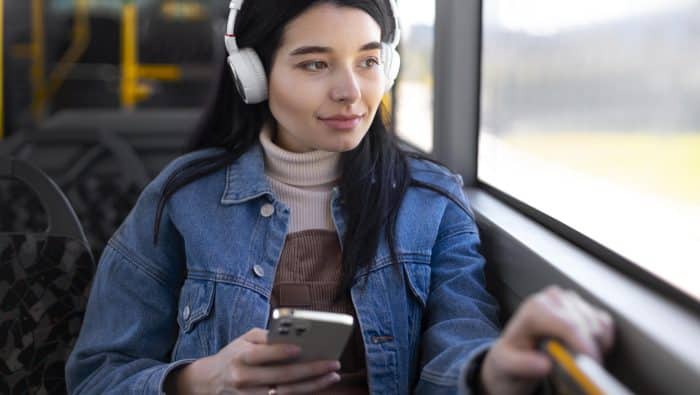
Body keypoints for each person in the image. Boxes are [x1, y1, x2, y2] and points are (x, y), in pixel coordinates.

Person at [65, 0, 615, 394]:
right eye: (315, 63)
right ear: (254, 76)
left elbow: (460, 341)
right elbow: (96, 373)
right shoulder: (183, 200)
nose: (351, 91)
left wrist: (491, 371)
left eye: (368, 61)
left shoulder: (432, 202)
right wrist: (197, 381)